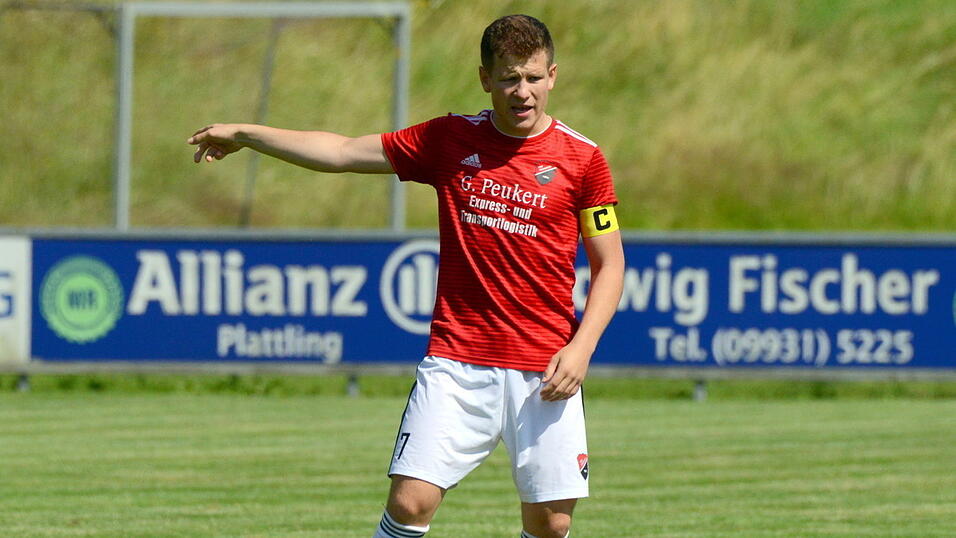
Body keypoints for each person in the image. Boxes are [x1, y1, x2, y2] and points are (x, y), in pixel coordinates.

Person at [188, 14, 624, 538]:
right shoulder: (448, 139)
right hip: (458, 360)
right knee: (410, 502)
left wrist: (581, 349)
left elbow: (610, 264)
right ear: (485, 78)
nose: (522, 92)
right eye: (509, 78)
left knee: (551, 524)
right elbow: (344, 152)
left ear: (553, 75)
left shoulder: (584, 160)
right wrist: (246, 134)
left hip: (545, 369)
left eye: (533, 77)